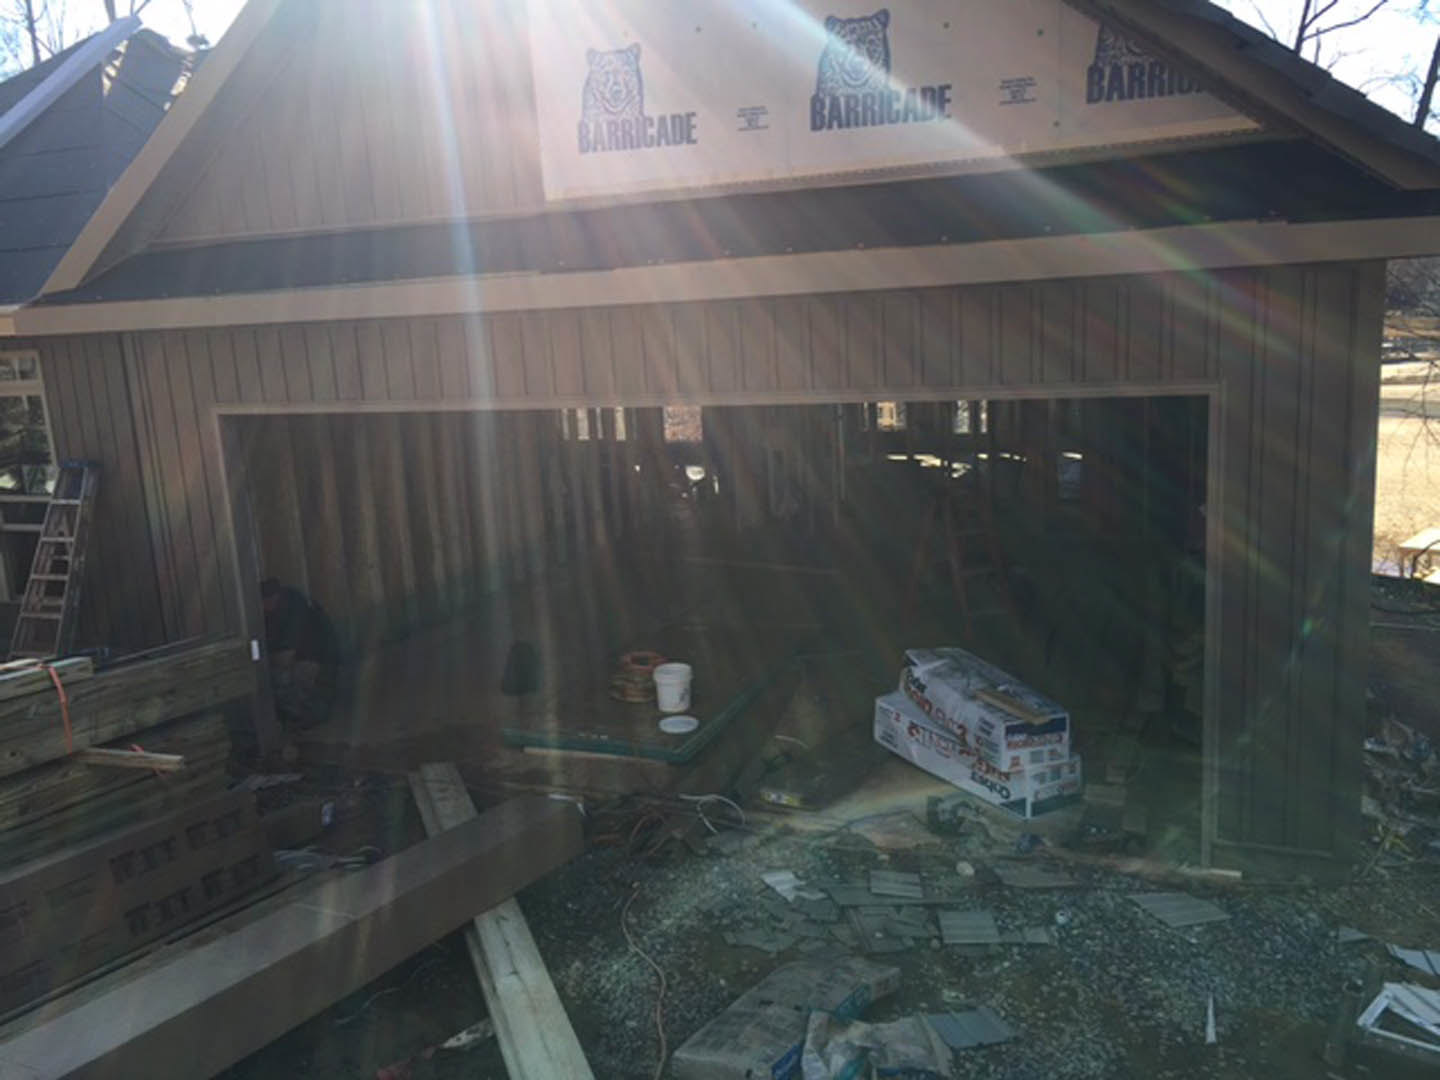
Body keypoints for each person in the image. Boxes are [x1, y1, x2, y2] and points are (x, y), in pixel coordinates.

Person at [260, 578, 338, 729]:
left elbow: (286, 657)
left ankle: (306, 714)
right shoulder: (276, 612)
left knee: (281, 678)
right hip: (307, 660)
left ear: (274, 598)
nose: (264, 608)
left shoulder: (294, 608)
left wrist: (263, 662)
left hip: (318, 660)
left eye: (265, 603)